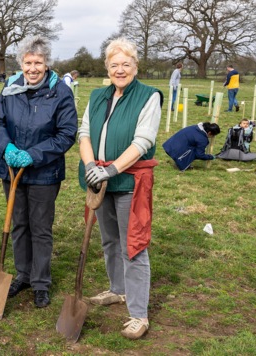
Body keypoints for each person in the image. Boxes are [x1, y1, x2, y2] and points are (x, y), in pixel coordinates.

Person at [78, 37, 163, 340]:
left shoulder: (148, 96)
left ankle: (139, 314)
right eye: (114, 64)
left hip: (129, 182)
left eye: (126, 64)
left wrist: (112, 170)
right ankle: (118, 290)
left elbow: (143, 142)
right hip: (99, 180)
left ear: (135, 66)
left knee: (134, 247)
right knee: (110, 241)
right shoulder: (98, 95)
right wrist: (91, 167)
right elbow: (85, 133)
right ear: (108, 68)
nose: (120, 69)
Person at [0, 36, 77, 308]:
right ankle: (23, 275)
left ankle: (40, 282)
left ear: (46, 63)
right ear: (21, 64)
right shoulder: (10, 87)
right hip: (12, 169)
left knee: (40, 228)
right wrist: (7, 149)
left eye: (38, 62)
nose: (33, 68)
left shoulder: (60, 92)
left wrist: (33, 155)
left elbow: (66, 134)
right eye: (28, 62)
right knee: (19, 224)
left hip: (43, 173)